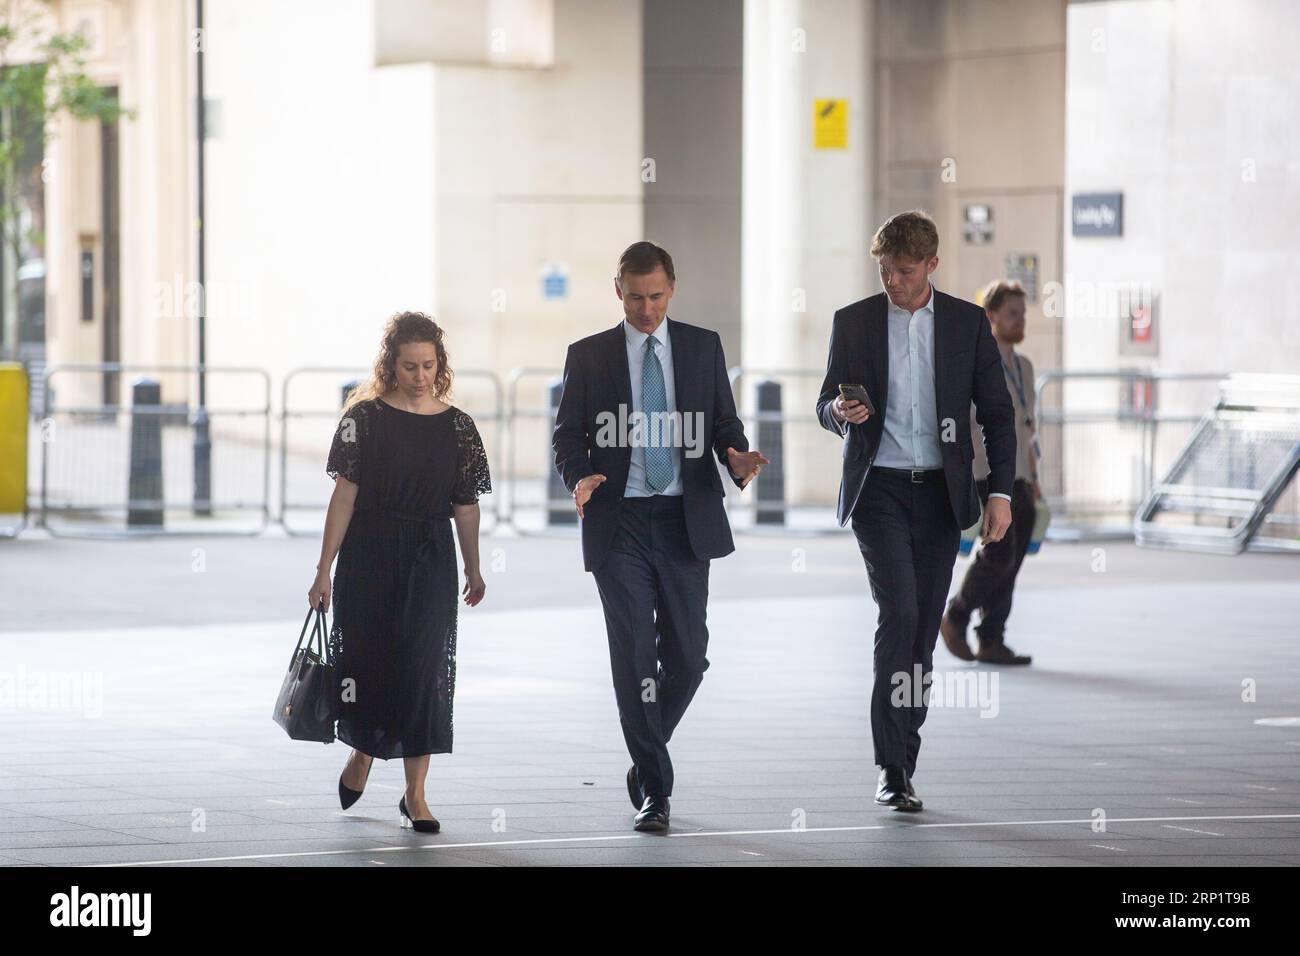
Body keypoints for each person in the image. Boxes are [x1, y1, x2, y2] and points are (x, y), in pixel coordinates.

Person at [552, 241, 767, 832]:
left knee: (689, 660)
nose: (646, 310)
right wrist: (580, 476)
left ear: (672, 290)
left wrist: (737, 457)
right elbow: (567, 435)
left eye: (656, 296)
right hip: (618, 522)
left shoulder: (702, 347)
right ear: (617, 290)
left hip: (682, 521)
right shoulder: (590, 355)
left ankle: (646, 756)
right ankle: (656, 788)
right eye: (635, 296)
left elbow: (724, 420)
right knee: (635, 657)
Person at [814, 210, 1016, 812]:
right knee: (898, 613)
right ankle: (892, 766)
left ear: (931, 265)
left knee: (924, 628)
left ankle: (907, 748)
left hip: (940, 496)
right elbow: (826, 400)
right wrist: (838, 415)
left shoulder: (965, 324)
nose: (892, 281)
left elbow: (998, 415)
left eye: (903, 271)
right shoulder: (853, 322)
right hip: (878, 490)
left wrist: (999, 492)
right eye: (884, 270)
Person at [308, 311, 491, 834]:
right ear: (391, 365)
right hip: (368, 554)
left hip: (430, 556)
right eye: (409, 366)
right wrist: (323, 570)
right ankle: (363, 751)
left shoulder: (458, 427)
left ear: (441, 366)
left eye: (428, 366)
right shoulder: (363, 419)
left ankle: (416, 795)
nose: (419, 376)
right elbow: (343, 495)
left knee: (423, 670)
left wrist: (474, 569)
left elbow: (467, 506)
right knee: (367, 661)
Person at [941, 280, 1039, 666]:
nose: (1020, 320)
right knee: (998, 555)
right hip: (986, 474)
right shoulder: (976, 361)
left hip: (1019, 476)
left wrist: (1034, 480)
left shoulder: (1024, 367)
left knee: (1012, 561)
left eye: (1023, 313)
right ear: (990, 316)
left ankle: (992, 637)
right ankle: (956, 615)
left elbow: (1028, 428)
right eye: (1012, 313)